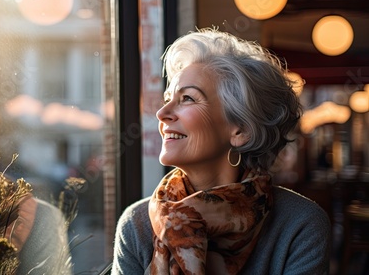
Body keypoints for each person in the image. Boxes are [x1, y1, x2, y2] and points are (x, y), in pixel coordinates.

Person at [111, 28, 331, 275]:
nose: (162, 114)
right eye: (167, 99)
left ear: (241, 130)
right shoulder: (137, 224)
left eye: (188, 99)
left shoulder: (299, 225)